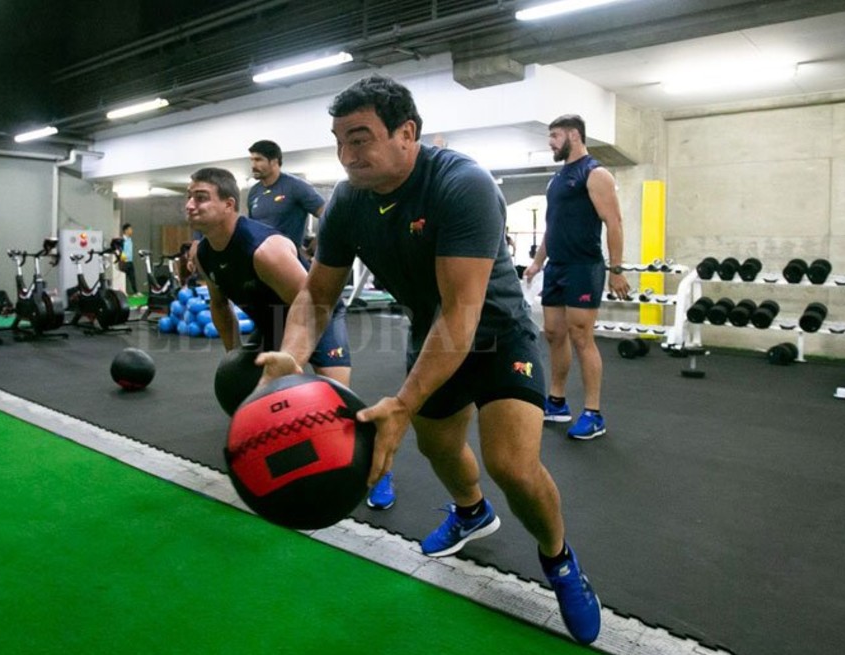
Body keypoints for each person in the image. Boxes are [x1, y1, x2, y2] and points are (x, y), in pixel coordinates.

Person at [256, 75, 600, 644]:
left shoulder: (461, 184)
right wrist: (292, 359)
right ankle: (470, 511)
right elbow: (315, 297)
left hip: (495, 334)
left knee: (511, 464)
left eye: (360, 138)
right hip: (431, 332)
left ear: (406, 133)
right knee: (438, 445)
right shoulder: (346, 201)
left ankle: (559, 559)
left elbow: (462, 316)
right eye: (339, 141)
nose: (346, 155)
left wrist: (402, 402)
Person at [186, 167, 396, 510]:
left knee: (339, 404)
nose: (190, 205)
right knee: (264, 393)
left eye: (201, 197)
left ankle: (381, 469)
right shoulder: (204, 254)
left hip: (317, 312)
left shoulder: (263, 249)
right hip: (270, 322)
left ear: (228, 204)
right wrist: (234, 359)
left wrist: (293, 359)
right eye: (189, 197)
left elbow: (314, 303)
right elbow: (219, 305)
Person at [522, 114, 630, 440]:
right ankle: (557, 402)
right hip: (556, 266)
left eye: (554, 136)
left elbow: (614, 222)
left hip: (584, 266)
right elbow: (552, 226)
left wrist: (617, 270)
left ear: (573, 135)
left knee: (581, 335)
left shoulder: (595, 173)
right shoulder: (556, 179)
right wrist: (537, 263)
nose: (551, 142)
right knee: (554, 333)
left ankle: (594, 413)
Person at [247, 140, 325, 248]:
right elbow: (252, 227)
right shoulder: (254, 191)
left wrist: (316, 244)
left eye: (258, 160)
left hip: (288, 257)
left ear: (274, 161)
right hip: (260, 257)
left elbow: (328, 215)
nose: (253, 165)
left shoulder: (296, 186)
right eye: (251, 160)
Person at [119, 223, 139, 296]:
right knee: (122, 278)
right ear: (126, 230)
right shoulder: (122, 240)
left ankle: (136, 292)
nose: (131, 231)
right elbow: (120, 250)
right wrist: (122, 258)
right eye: (130, 229)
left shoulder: (130, 239)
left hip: (130, 261)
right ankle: (123, 292)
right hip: (124, 261)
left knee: (132, 277)